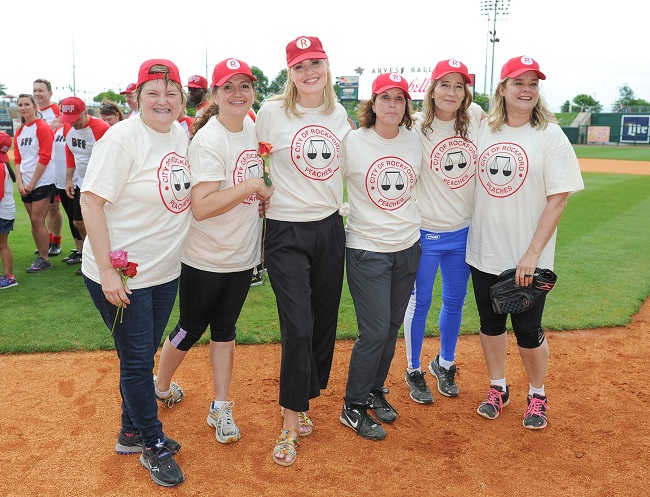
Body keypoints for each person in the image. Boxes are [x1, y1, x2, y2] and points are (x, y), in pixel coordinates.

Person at [81, 59, 191, 487]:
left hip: (163, 269)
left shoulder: (180, 133)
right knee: (136, 360)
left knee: (140, 356)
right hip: (123, 275)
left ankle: (130, 431)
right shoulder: (123, 139)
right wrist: (110, 273)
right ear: (137, 97)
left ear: (182, 100)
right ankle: (151, 441)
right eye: (153, 93)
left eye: (171, 94)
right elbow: (90, 202)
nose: (162, 102)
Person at [153, 57, 274, 445]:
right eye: (228, 87)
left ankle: (221, 405)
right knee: (190, 328)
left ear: (253, 91)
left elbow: (254, 180)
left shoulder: (252, 127)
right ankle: (161, 384)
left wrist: (260, 193)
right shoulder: (209, 139)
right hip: (205, 256)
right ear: (215, 95)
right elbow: (202, 207)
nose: (237, 94)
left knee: (225, 329)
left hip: (241, 254)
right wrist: (253, 186)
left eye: (244, 86)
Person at [466, 56, 584, 430]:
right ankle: (497, 387)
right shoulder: (484, 129)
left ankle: (537, 394)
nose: (527, 90)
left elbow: (558, 198)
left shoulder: (549, 134)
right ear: (502, 88)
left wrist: (532, 254)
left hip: (526, 256)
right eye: (519, 82)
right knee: (490, 324)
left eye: (533, 84)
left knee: (528, 331)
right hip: (484, 248)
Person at [256, 35, 352, 466]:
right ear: (289, 73)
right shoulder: (272, 112)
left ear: (327, 67)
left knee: (323, 324)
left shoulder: (339, 113)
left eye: (315, 63)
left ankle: (301, 397)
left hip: (330, 229)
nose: (309, 71)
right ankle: (290, 422)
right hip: (285, 232)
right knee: (298, 325)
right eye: (299, 66)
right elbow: (252, 162)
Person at [339, 73, 422, 441]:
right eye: (385, 98)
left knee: (390, 328)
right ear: (372, 104)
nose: (392, 105)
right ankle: (352, 406)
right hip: (366, 249)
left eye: (399, 98)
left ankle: (374, 388)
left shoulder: (414, 140)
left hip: (406, 246)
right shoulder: (353, 142)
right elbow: (323, 178)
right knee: (373, 330)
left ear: (406, 106)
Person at [402, 59, 487, 404]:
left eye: (459, 86)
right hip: (426, 233)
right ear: (432, 89)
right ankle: (413, 369)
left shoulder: (478, 118)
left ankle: (445, 363)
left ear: (466, 92)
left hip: (463, 231)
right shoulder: (417, 126)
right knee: (419, 302)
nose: (452, 92)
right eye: (445, 85)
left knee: (455, 301)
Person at [60, 97, 110, 275]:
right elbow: (70, 154)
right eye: (68, 118)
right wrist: (68, 180)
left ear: (85, 112)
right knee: (78, 221)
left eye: (75, 117)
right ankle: (92, 254)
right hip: (82, 182)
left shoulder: (102, 128)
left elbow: (112, 158)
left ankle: (100, 258)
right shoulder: (68, 127)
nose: (72, 122)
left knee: (102, 222)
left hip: (100, 184)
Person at [13, 93, 56, 272]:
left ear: (34, 107)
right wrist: (20, 183)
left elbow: (45, 156)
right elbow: (17, 159)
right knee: (34, 221)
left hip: (42, 181)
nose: (23, 108)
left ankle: (44, 259)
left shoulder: (42, 127)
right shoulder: (20, 131)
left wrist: (32, 182)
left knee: (38, 220)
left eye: (26, 104)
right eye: (20, 105)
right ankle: (42, 252)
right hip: (27, 182)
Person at [33, 78, 63, 256]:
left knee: (54, 207)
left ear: (50, 93)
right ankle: (45, 240)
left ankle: (56, 241)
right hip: (39, 168)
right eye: (35, 90)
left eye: (41, 91)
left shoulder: (57, 111)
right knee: (41, 208)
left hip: (56, 167)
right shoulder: (32, 112)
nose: (37, 94)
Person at [51, 116, 84, 266]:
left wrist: (72, 178)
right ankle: (79, 249)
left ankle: (85, 252)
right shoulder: (58, 130)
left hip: (75, 181)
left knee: (78, 219)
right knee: (72, 217)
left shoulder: (75, 130)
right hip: (61, 181)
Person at [0, 132, 17, 288]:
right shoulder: (3, 164)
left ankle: (10, 277)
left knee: (3, 244)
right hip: (5, 211)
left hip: (2, 213)